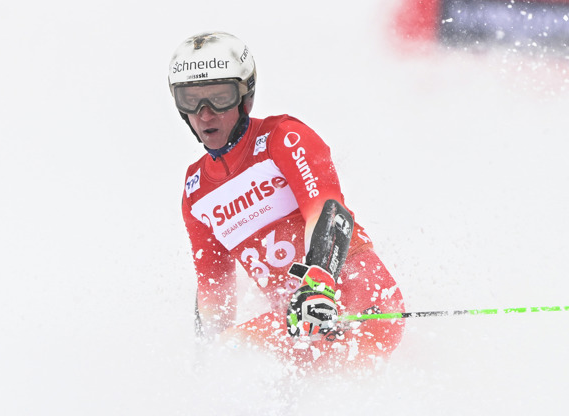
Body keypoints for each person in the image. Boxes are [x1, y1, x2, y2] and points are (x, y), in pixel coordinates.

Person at [169, 31, 405, 375]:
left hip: (357, 302)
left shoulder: (281, 137)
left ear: (245, 96)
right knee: (227, 367)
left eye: (220, 97)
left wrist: (318, 287)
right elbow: (213, 289)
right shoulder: (196, 191)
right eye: (191, 100)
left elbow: (329, 212)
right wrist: (203, 367)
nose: (205, 114)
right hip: (298, 323)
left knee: (235, 351)